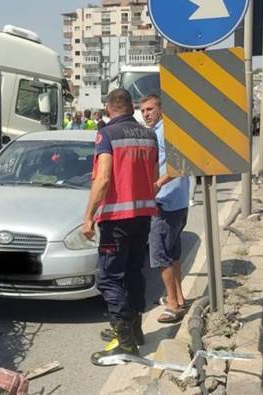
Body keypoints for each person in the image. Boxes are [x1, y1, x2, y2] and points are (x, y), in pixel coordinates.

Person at [82, 88, 159, 366]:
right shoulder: (149, 135)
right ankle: (134, 330)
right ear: (131, 108)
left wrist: (89, 216)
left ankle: (125, 343)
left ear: (109, 109)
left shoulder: (107, 134)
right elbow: (154, 177)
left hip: (116, 220)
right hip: (143, 216)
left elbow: (102, 179)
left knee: (108, 278)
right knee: (133, 272)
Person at [139, 95, 191, 324]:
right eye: (142, 110)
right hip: (175, 201)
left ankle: (172, 304)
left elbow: (179, 163)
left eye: (150, 109)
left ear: (160, 109)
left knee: (160, 255)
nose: (146, 114)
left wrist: (157, 184)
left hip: (165, 201)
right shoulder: (163, 130)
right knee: (173, 253)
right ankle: (179, 299)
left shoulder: (163, 132)